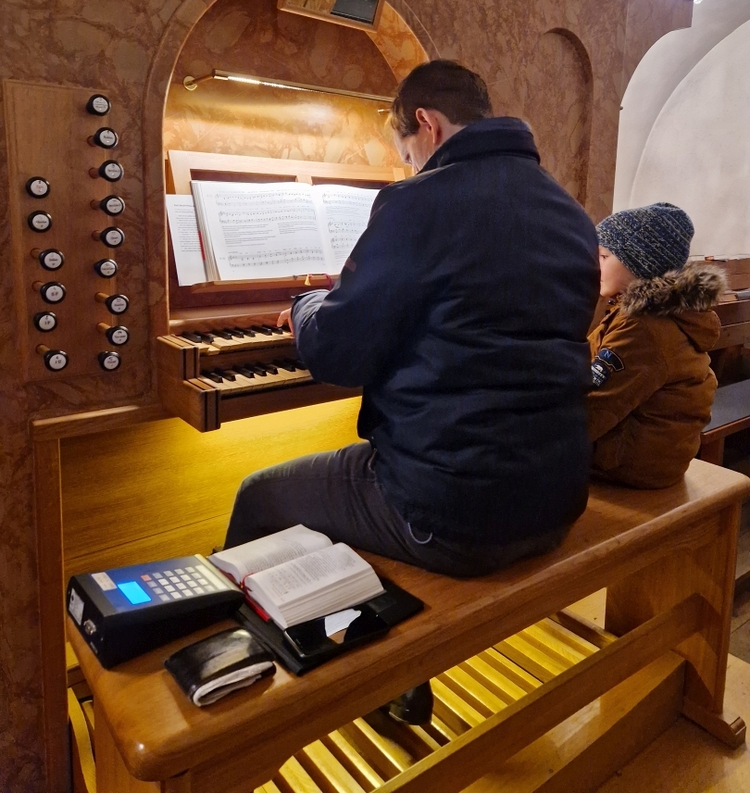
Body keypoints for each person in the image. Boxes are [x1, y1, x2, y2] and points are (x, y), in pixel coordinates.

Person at [224, 59, 600, 577]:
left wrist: (304, 305)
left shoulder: (422, 200)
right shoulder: (569, 212)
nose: (412, 169)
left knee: (257, 495)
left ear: (427, 123)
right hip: (555, 499)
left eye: (407, 156)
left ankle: (250, 628)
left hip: (453, 511)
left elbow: (337, 352)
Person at [588, 202, 726, 488]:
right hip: (654, 460)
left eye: (604, 256)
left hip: (630, 467)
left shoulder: (642, 328)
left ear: (638, 264)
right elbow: (584, 358)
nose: (596, 264)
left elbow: (591, 410)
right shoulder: (638, 314)